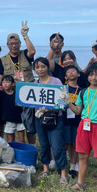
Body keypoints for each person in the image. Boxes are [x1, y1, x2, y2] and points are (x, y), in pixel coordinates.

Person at [63, 64, 97, 192]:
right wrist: (68, 102)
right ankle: (80, 183)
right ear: (87, 77)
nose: (94, 77)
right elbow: (77, 111)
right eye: (91, 74)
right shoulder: (83, 92)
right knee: (82, 156)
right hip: (84, 126)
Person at [0, 22, 36, 144]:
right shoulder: (3, 59)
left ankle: (32, 148)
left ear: (20, 44)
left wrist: (25, 36)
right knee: (14, 125)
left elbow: (32, 51)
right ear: (7, 45)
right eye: (11, 43)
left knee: (29, 125)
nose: (14, 45)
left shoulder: (25, 54)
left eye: (16, 43)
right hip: (12, 95)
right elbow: (1, 76)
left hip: (28, 94)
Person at [34, 57, 69, 185]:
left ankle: (63, 173)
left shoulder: (56, 81)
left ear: (48, 67)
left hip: (55, 117)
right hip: (39, 118)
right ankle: (45, 169)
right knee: (43, 144)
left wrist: (50, 109)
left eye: (43, 66)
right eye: (37, 67)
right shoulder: (34, 82)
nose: (40, 69)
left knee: (57, 145)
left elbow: (62, 101)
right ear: (34, 69)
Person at [62, 65, 82, 178]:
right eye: (68, 72)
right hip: (64, 120)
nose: (71, 73)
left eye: (73, 71)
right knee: (65, 144)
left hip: (77, 120)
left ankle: (73, 167)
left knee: (75, 143)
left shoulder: (82, 90)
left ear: (78, 74)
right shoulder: (62, 89)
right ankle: (62, 165)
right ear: (65, 76)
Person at [0, 75, 25, 143]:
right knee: (10, 140)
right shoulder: (2, 94)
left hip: (19, 119)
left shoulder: (17, 93)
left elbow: (24, 88)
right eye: (3, 82)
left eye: (7, 82)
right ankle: (11, 152)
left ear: (13, 84)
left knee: (21, 139)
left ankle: (21, 152)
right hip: (9, 119)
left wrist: (19, 80)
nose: (5, 84)